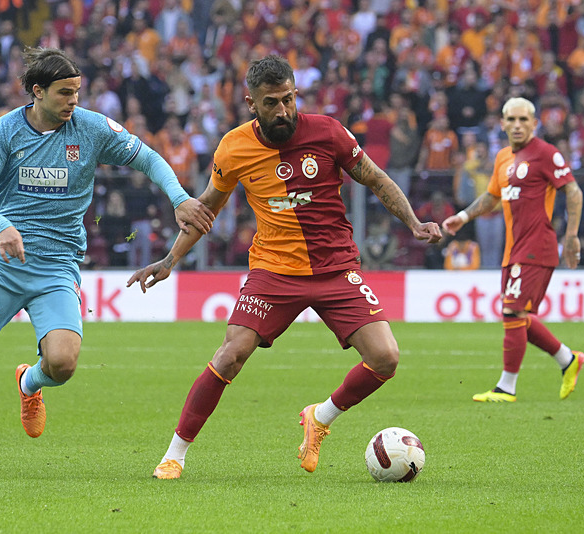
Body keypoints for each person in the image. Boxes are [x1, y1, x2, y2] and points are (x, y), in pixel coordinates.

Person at [127, 55, 442, 480]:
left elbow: (376, 179)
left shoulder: (329, 132)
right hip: (273, 271)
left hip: (335, 268)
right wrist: (170, 260)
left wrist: (414, 223)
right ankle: (174, 455)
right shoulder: (233, 148)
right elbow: (207, 209)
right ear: (251, 103)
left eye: (289, 100)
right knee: (230, 355)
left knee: (385, 358)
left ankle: (320, 417)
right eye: (271, 103)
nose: (283, 110)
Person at [0, 47, 215, 472]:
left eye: (77, 92)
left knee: (63, 364)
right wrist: (0, 225)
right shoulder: (6, 130)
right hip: (4, 261)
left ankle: (28, 382)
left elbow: (147, 157)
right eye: (65, 93)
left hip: (57, 264)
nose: (74, 101)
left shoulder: (91, 128)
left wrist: (179, 198)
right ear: (37, 91)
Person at [442, 97, 584, 403]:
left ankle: (506, 387)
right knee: (517, 316)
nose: (517, 125)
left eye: (523, 120)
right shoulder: (503, 157)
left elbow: (573, 191)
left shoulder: (546, 153)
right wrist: (463, 216)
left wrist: (572, 235)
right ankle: (568, 359)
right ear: (502, 124)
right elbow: (492, 196)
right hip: (513, 249)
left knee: (512, 311)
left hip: (537, 246)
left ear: (535, 123)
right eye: (512, 119)